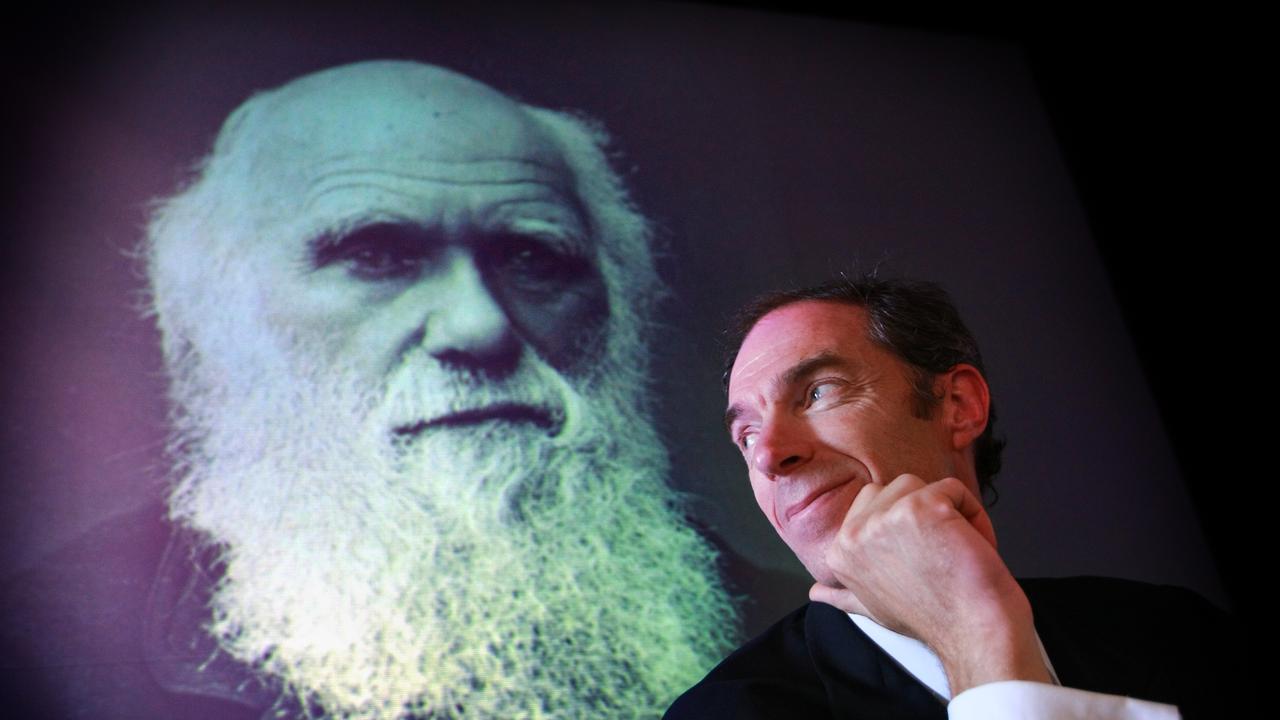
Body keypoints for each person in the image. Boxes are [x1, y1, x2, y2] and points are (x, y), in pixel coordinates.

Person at [1, 60, 735, 719]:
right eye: (377, 255)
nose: (479, 328)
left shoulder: (780, 618)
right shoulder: (43, 653)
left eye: (532, 256)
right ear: (217, 313)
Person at [666, 276, 1240, 719]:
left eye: (818, 392)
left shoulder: (1176, 633)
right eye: (745, 435)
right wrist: (974, 638)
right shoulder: (726, 712)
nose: (768, 455)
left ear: (959, 406)